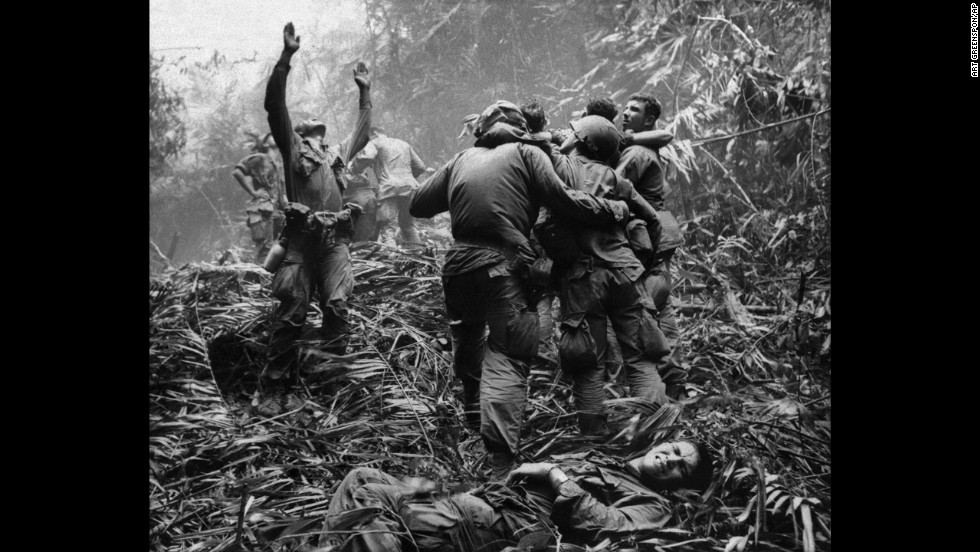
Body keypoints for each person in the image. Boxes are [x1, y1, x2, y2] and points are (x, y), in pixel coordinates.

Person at [409, 101, 631, 479]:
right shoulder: (528, 152)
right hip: (504, 267)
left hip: (458, 266)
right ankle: (500, 463)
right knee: (508, 355)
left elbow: (417, 205)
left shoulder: (463, 156)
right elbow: (563, 200)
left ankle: (472, 418)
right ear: (520, 128)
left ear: (482, 128)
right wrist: (614, 210)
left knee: (468, 339)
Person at [316, 439, 716, 551]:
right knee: (361, 475)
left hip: (512, 525)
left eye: (681, 465)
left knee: (372, 496)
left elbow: (606, 528)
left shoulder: (656, 504)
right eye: (674, 448)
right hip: (487, 505)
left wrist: (555, 473)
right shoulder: (606, 460)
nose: (669, 458)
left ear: (680, 484)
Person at [535, 115, 670, 436]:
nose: (565, 135)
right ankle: (655, 433)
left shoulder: (559, 166)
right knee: (641, 357)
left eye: (571, 132)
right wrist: (641, 262)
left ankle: (595, 442)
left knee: (587, 365)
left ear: (582, 141)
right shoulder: (614, 176)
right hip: (626, 273)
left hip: (582, 278)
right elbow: (652, 220)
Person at [263, 22, 372, 374]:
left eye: (320, 129)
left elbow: (362, 130)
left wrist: (365, 92)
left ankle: (332, 376)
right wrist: (285, 57)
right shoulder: (292, 149)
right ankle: (276, 384)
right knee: (292, 312)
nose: (316, 128)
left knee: (338, 305)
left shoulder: (335, 155)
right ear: (300, 134)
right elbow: (274, 105)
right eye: (310, 126)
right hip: (300, 241)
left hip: (334, 241)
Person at [617, 93, 686, 398]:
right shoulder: (642, 147)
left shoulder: (636, 154)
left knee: (642, 308)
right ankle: (674, 384)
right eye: (625, 108)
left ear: (648, 120)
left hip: (646, 237)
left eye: (634, 110)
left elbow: (610, 187)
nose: (625, 113)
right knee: (661, 307)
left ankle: (650, 393)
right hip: (656, 237)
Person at [519, 98, 559, 372]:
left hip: (521, 226)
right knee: (545, 293)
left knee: (530, 293)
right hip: (547, 226)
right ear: (544, 121)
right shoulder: (550, 149)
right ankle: (545, 355)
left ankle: (534, 354)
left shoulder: (513, 150)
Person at [349, 127, 431, 249]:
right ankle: (418, 260)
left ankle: (390, 262)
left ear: (375, 133)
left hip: (389, 189)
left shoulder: (375, 142)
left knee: (388, 227)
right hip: (411, 188)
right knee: (408, 226)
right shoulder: (404, 144)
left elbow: (366, 157)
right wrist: (406, 179)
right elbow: (420, 166)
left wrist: (353, 169)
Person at [232, 133, 287, 264]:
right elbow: (237, 172)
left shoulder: (277, 164)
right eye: (271, 136)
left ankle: (272, 275)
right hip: (263, 209)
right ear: (266, 143)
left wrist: (288, 209)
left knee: (282, 244)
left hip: (276, 210)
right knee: (265, 248)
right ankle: (262, 280)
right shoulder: (260, 158)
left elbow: (281, 193)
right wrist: (253, 192)